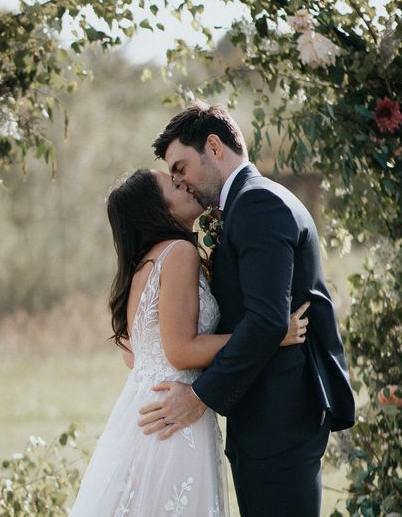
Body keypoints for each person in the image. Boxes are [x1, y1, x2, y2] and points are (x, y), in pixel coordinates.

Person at [139, 102, 356, 517]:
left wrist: (199, 397)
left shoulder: (257, 204)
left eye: (181, 167)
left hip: (280, 416)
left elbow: (266, 320)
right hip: (266, 415)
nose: (179, 181)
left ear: (214, 147)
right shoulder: (247, 202)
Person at [69, 168, 309, 516]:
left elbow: (135, 357)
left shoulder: (141, 265)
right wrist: (269, 336)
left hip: (145, 413)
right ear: (159, 208)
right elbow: (180, 351)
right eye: (173, 184)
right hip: (175, 419)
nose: (184, 185)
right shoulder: (179, 253)